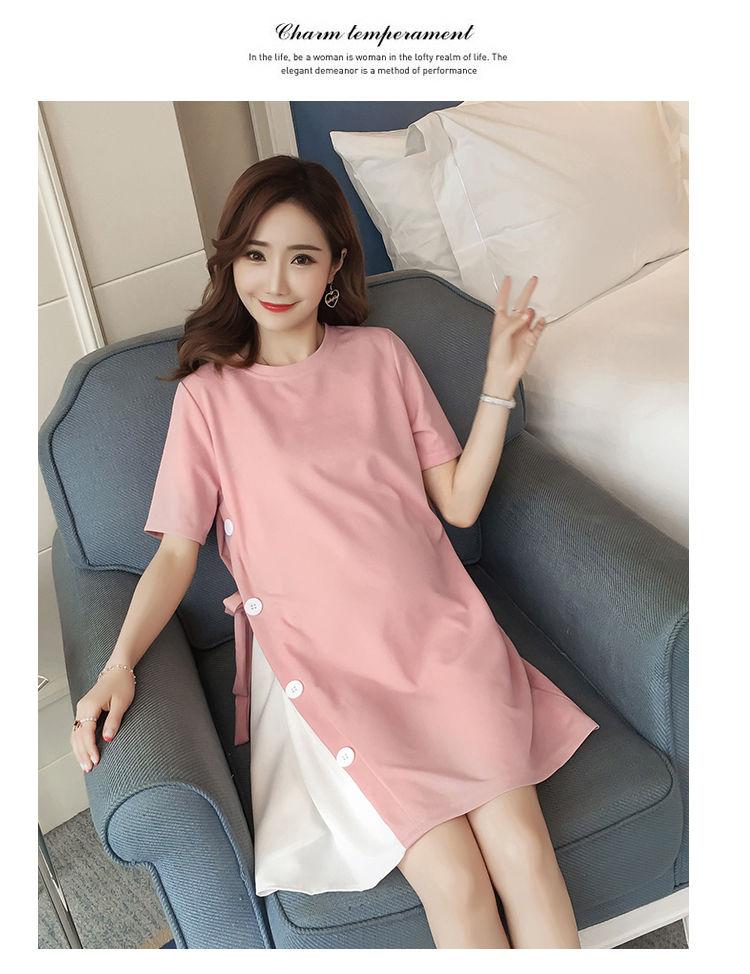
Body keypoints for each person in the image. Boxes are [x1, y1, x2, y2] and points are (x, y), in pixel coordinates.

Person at [70, 154, 599, 949]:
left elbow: (457, 502)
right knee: (455, 881)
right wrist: (119, 664)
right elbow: (176, 556)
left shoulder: (381, 355)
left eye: (301, 257)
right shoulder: (208, 398)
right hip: (326, 663)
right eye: (256, 254)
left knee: (524, 851)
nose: (275, 280)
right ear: (230, 261)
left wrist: (498, 382)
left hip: (439, 638)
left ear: (333, 267)